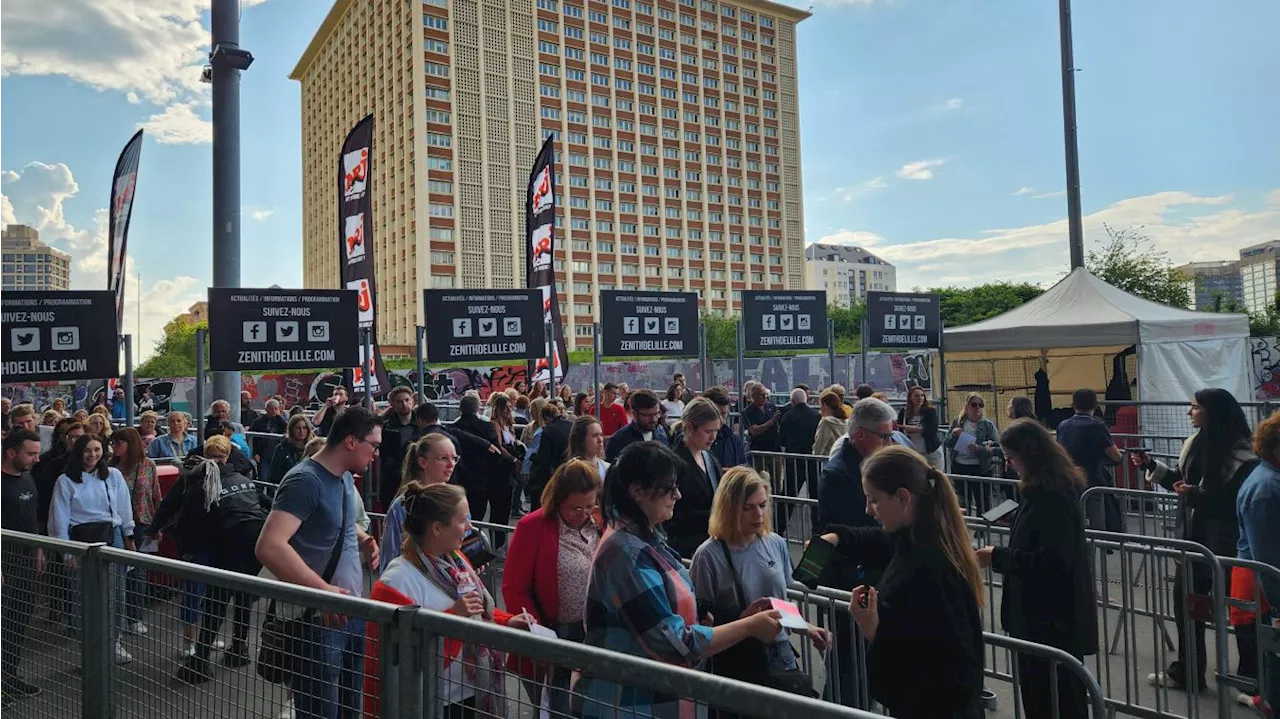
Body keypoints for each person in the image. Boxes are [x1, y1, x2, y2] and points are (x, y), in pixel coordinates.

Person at [581, 442, 783, 719]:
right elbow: (672, 641)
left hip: (649, 696)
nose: (677, 494)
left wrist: (719, 622)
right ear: (637, 491)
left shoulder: (644, 540)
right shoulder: (627, 553)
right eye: (668, 487)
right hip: (631, 702)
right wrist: (748, 626)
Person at [818, 446, 985, 718]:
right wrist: (836, 537)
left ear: (903, 498)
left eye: (874, 500)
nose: (869, 510)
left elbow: (931, 663)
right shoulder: (921, 540)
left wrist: (873, 630)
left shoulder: (929, 567)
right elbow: (878, 540)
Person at [365, 482, 533, 718]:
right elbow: (401, 659)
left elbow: (475, 608)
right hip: (427, 704)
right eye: (463, 519)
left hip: (469, 696)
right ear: (437, 528)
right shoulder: (396, 582)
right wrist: (454, 616)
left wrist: (507, 622)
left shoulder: (455, 559)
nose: (470, 526)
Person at [255, 406, 381, 719]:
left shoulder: (343, 479)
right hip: (316, 619)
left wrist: (363, 538)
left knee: (349, 709)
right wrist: (322, 591)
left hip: (348, 611)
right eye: (374, 445)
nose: (376, 453)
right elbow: (269, 545)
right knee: (320, 711)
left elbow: (337, 522)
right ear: (351, 442)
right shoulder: (305, 480)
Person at [1131, 388, 1257, 692]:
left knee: (1241, 612)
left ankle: (1251, 681)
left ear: (1213, 412)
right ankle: (1188, 672)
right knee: (1187, 606)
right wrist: (1150, 466)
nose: (1190, 412)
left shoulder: (1243, 453)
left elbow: (1234, 501)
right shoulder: (1195, 443)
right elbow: (1180, 480)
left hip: (1229, 543)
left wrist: (1196, 495)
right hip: (1193, 540)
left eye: (1195, 407)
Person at [976, 420, 1097, 718]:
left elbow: (1053, 560)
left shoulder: (1051, 496)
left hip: (1048, 619)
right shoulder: (1044, 491)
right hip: (1043, 617)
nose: (1009, 464)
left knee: (1053, 698)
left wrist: (998, 556)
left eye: (1011, 458)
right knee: (1049, 696)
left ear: (1029, 456)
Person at [691, 465, 830, 707]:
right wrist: (744, 622)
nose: (759, 515)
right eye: (748, 508)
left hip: (781, 654)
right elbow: (700, 623)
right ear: (730, 509)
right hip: (736, 661)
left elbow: (781, 600)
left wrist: (807, 628)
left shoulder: (775, 543)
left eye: (763, 505)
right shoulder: (707, 556)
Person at [147, 435, 270, 683]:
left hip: (221, 548)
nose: (215, 460)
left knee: (216, 602)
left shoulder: (197, 479)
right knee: (242, 598)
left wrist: (174, 542)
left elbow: (187, 516)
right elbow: (265, 503)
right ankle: (238, 648)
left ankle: (200, 660)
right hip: (250, 545)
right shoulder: (242, 477)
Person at [502, 459, 602, 714]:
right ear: (557, 500)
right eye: (574, 508)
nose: (582, 514)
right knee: (555, 709)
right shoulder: (532, 526)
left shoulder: (600, 523)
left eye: (589, 506)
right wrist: (537, 634)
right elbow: (515, 587)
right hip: (552, 636)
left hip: (593, 636)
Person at [48, 433, 137, 664]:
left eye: (97, 450)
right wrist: (66, 550)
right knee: (82, 595)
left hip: (113, 536)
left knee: (118, 593)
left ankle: (114, 642)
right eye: (87, 450)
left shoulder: (113, 475)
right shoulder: (65, 481)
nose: (92, 455)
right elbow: (59, 518)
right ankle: (87, 647)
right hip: (81, 540)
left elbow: (124, 507)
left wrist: (129, 535)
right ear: (79, 452)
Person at [1238, 411, 1280, 714]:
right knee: (1273, 648)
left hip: (1268, 586)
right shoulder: (1265, 490)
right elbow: (1267, 557)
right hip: (1268, 589)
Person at [0, 429, 46, 704]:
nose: (36, 459)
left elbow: (32, 519)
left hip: (27, 564)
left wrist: (39, 549)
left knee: (17, 624)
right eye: (31, 453)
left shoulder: (28, 479)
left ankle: (9, 675)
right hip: (4, 565)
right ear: (11, 453)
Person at [380, 433, 459, 572]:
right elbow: (389, 555)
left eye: (454, 458)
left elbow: (465, 543)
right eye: (443, 458)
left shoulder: (456, 500)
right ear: (423, 462)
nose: (451, 464)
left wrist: (472, 561)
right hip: (412, 583)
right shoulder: (404, 505)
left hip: (451, 584)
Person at [110, 428, 162, 637]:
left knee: (138, 573)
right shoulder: (109, 467)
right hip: (116, 524)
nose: (114, 447)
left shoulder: (148, 465)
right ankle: (118, 619)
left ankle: (136, 616)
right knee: (118, 573)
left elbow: (156, 496)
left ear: (130, 444)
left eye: (119, 442)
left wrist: (158, 526)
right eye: (113, 443)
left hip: (142, 522)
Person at [1059, 389, 1124, 532]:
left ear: (1073, 405)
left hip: (1069, 479)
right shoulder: (1098, 426)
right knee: (1097, 520)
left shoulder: (1063, 426)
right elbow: (1115, 456)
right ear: (1095, 405)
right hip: (1093, 479)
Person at [669, 398, 724, 559]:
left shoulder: (710, 458)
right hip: (687, 548)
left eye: (716, 431)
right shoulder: (673, 462)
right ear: (690, 428)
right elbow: (674, 516)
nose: (713, 437)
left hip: (711, 542)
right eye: (708, 431)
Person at [944, 393, 999, 510]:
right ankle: (964, 527)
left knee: (983, 502)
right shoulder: (958, 422)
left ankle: (982, 528)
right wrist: (954, 435)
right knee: (962, 502)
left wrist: (979, 449)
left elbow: (998, 447)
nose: (978, 408)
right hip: (960, 467)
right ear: (967, 406)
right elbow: (946, 442)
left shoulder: (988, 425)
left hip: (981, 469)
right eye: (974, 404)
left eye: (981, 405)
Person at [776, 388, 820, 511]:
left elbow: (782, 439)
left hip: (793, 458)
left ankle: (780, 525)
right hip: (812, 458)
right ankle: (818, 527)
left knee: (788, 495)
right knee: (815, 496)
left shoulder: (787, 416)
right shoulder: (816, 415)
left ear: (792, 401)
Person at [378, 387, 421, 508]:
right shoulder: (385, 427)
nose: (404, 404)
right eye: (399, 401)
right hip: (391, 478)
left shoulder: (421, 425)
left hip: (416, 475)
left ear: (413, 401)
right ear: (392, 404)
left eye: (407, 400)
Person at [605, 389, 667, 462]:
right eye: (647, 415)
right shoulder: (618, 440)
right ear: (634, 414)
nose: (654, 419)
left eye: (656, 414)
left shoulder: (661, 433)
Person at [530, 401, 573, 503]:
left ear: (548, 418)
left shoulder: (548, 430)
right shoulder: (571, 425)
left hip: (555, 473)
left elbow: (544, 458)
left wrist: (533, 457)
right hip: (571, 468)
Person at [899, 386, 941, 468]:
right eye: (916, 395)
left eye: (922, 395)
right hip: (913, 453)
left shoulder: (930, 411)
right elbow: (899, 429)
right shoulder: (903, 412)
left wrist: (917, 429)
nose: (920, 398)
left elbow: (932, 430)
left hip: (931, 452)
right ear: (910, 398)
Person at [269, 415, 314, 491]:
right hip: (289, 488)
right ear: (291, 429)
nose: (301, 431)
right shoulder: (282, 448)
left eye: (304, 428)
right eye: (297, 428)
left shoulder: (314, 448)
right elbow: (274, 475)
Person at [249, 399, 289, 483]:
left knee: (274, 478)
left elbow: (288, 430)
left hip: (276, 453)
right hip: (262, 454)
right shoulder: (258, 421)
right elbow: (251, 437)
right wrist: (255, 453)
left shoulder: (281, 421)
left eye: (276, 408)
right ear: (266, 409)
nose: (274, 411)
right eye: (271, 409)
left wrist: (279, 417)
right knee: (263, 478)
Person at [565, 414, 610, 480]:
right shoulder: (571, 472)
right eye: (595, 436)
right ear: (582, 440)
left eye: (601, 435)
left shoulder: (607, 468)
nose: (600, 440)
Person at [742, 384, 779, 454]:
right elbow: (754, 431)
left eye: (765, 394)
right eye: (761, 395)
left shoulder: (771, 406)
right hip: (758, 450)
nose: (764, 397)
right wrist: (771, 421)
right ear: (753, 396)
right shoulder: (748, 412)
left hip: (774, 449)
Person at [813, 389, 850, 457]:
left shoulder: (825, 422)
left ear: (825, 405)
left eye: (820, 406)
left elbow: (818, 449)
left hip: (829, 461)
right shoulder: (846, 422)